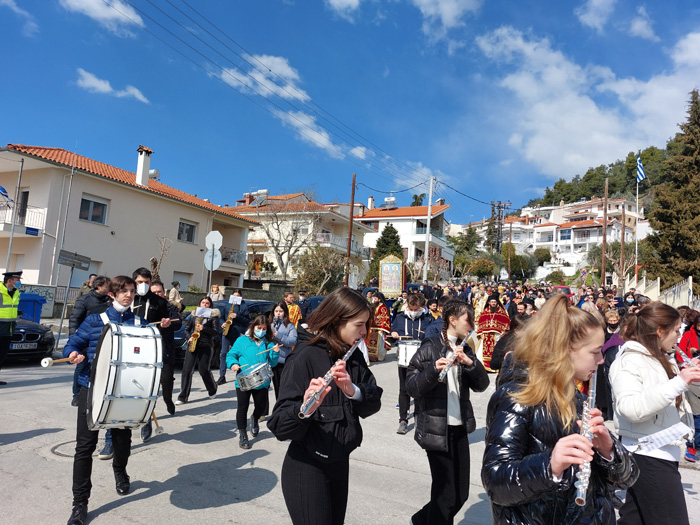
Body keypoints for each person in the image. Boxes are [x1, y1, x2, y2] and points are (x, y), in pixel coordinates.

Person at [482, 294, 638, 524]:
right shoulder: (516, 398)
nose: (601, 360)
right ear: (564, 350)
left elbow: (628, 478)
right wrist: (549, 465)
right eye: (595, 352)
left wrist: (609, 451)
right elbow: (495, 483)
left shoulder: (577, 398)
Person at [267, 287, 383, 525]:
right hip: (307, 467)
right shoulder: (304, 357)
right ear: (337, 320)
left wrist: (353, 391)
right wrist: (305, 408)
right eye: (359, 325)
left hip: (339, 461)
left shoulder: (352, 354)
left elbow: (374, 401)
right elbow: (279, 425)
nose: (364, 332)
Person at [63, 276, 146, 525]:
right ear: (112, 294)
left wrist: (163, 328)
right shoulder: (94, 321)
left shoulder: (139, 324)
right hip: (92, 388)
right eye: (124, 291)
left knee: (122, 442)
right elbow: (72, 344)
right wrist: (73, 353)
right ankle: (80, 503)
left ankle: (119, 470)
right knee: (84, 447)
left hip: (123, 391)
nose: (128, 295)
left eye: (132, 291)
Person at [611, 302, 700, 525]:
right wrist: (680, 381)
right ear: (660, 331)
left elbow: (669, 399)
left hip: (660, 451)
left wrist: (687, 375)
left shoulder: (659, 357)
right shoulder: (630, 360)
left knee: (634, 520)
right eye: (676, 330)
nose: (679, 336)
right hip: (648, 454)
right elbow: (631, 408)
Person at [406, 300, 489, 525]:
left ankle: (420, 520)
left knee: (460, 494)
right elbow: (412, 387)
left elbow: (482, 385)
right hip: (435, 429)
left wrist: (470, 363)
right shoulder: (430, 346)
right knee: (445, 496)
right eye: (468, 320)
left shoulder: (465, 347)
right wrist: (433, 370)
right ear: (453, 320)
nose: (472, 325)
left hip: (459, 428)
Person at [226, 314, 280, 449]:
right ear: (253, 327)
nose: (261, 330)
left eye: (264, 328)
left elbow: (273, 363)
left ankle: (255, 418)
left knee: (261, 407)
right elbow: (231, 355)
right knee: (242, 407)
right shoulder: (242, 340)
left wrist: (275, 353)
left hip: (262, 381)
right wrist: (233, 364)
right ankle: (243, 434)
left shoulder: (268, 342)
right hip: (243, 379)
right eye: (258, 327)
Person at [132, 268, 172, 442]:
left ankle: (146, 418)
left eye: (146, 282)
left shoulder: (159, 302)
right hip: (129, 346)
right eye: (140, 282)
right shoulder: (128, 298)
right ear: (134, 282)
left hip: (150, 348)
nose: (143, 285)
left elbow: (171, 322)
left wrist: (166, 323)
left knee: (149, 386)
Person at [391, 293, 433, 434]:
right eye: (411, 309)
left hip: (421, 360)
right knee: (404, 389)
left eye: (416, 309)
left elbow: (432, 337)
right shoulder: (400, 318)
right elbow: (392, 333)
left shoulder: (427, 319)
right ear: (407, 306)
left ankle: (418, 416)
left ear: (421, 307)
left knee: (419, 389)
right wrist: (394, 334)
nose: (414, 312)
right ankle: (403, 419)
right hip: (404, 358)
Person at [69, 276, 111, 408]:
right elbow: (75, 319)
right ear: (99, 286)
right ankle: (77, 395)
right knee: (81, 367)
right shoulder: (85, 300)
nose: (110, 288)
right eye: (107, 285)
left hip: (104, 339)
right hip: (86, 339)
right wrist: (74, 340)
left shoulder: (109, 300)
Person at [177, 296, 219, 405]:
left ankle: (212, 388)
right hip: (192, 345)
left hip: (205, 346)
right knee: (187, 370)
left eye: (207, 303)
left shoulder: (213, 317)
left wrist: (204, 328)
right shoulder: (194, 316)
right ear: (199, 304)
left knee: (203, 370)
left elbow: (215, 332)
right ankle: (183, 397)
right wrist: (189, 337)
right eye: (203, 302)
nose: (204, 305)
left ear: (210, 305)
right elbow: (186, 330)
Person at [150, 281, 182, 416]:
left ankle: (168, 400)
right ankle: (148, 412)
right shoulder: (147, 307)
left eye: (159, 291)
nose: (157, 294)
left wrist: (169, 323)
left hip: (166, 349)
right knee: (150, 383)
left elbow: (178, 322)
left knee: (167, 379)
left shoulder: (170, 307)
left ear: (164, 292)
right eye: (154, 292)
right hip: (149, 349)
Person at [217, 289, 250, 385]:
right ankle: (222, 376)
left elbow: (247, 321)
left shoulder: (244, 306)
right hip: (227, 332)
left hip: (238, 333)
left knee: (240, 354)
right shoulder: (227, 305)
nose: (236, 298)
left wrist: (237, 316)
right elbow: (221, 317)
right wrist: (223, 323)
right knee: (223, 354)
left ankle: (241, 374)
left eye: (238, 296)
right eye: (234, 296)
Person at [269, 302, 298, 398]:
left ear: (285, 312)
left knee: (281, 387)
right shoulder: (269, 324)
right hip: (269, 360)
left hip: (282, 360)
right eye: (276, 311)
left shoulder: (289, 326)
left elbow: (292, 341)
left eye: (280, 311)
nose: (278, 313)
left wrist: (277, 335)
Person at [476, 295, 510, 371]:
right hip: (486, 335)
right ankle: (484, 367)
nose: (493, 303)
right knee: (482, 351)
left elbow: (506, 321)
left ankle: (495, 366)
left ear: (497, 302)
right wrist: (480, 333)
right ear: (489, 303)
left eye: (494, 302)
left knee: (496, 350)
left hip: (497, 335)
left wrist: (504, 332)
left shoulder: (501, 311)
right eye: (492, 302)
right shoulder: (485, 311)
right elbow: (481, 322)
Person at [0, 271, 22, 386]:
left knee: (2, 355)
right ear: (9, 280)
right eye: (17, 280)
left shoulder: (16, 292)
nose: (19, 282)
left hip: (9, 328)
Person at [366, 291, 391, 362]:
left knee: (379, 344)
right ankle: (371, 357)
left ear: (379, 299)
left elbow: (385, 318)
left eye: (375, 298)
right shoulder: (373, 306)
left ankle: (379, 357)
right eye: (374, 298)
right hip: (372, 328)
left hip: (379, 329)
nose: (374, 300)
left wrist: (383, 328)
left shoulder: (383, 307)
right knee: (370, 343)